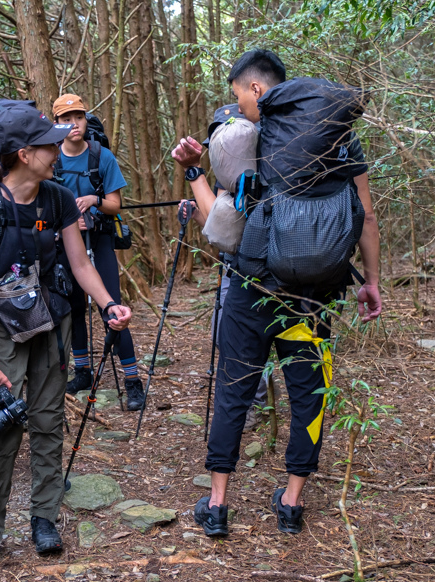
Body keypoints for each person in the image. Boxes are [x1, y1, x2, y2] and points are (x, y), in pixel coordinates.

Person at [172, 49, 382, 537]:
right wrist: (370, 281)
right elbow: (366, 218)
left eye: (239, 95)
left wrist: (193, 172)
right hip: (314, 296)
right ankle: (291, 503)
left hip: (251, 291)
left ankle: (219, 505)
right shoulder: (340, 140)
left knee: (233, 391)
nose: (239, 104)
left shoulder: (249, 143)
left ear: (258, 91)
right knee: (309, 395)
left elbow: (222, 227)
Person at [0, 103, 133, 571]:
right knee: (1, 431)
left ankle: (44, 518)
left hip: (52, 319)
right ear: (22, 154)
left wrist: (107, 303)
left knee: (48, 420)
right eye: (48, 145)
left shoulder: (55, 198)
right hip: (2, 330)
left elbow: (80, 264)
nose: (57, 150)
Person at [180, 104, 274, 432]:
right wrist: (196, 214)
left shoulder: (252, 176)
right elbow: (219, 232)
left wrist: (194, 175)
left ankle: (256, 404)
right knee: (225, 335)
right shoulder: (228, 176)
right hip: (232, 269)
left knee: (244, 337)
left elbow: (234, 230)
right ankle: (250, 400)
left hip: (253, 272)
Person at [51, 94, 146, 411]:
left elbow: (116, 204)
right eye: (65, 119)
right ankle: (82, 372)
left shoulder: (101, 157)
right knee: (74, 308)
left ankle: (132, 381)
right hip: (65, 243)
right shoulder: (51, 160)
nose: (72, 124)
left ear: (84, 119)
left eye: (77, 117)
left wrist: (93, 201)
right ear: (56, 124)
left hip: (100, 238)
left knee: (112, 310)